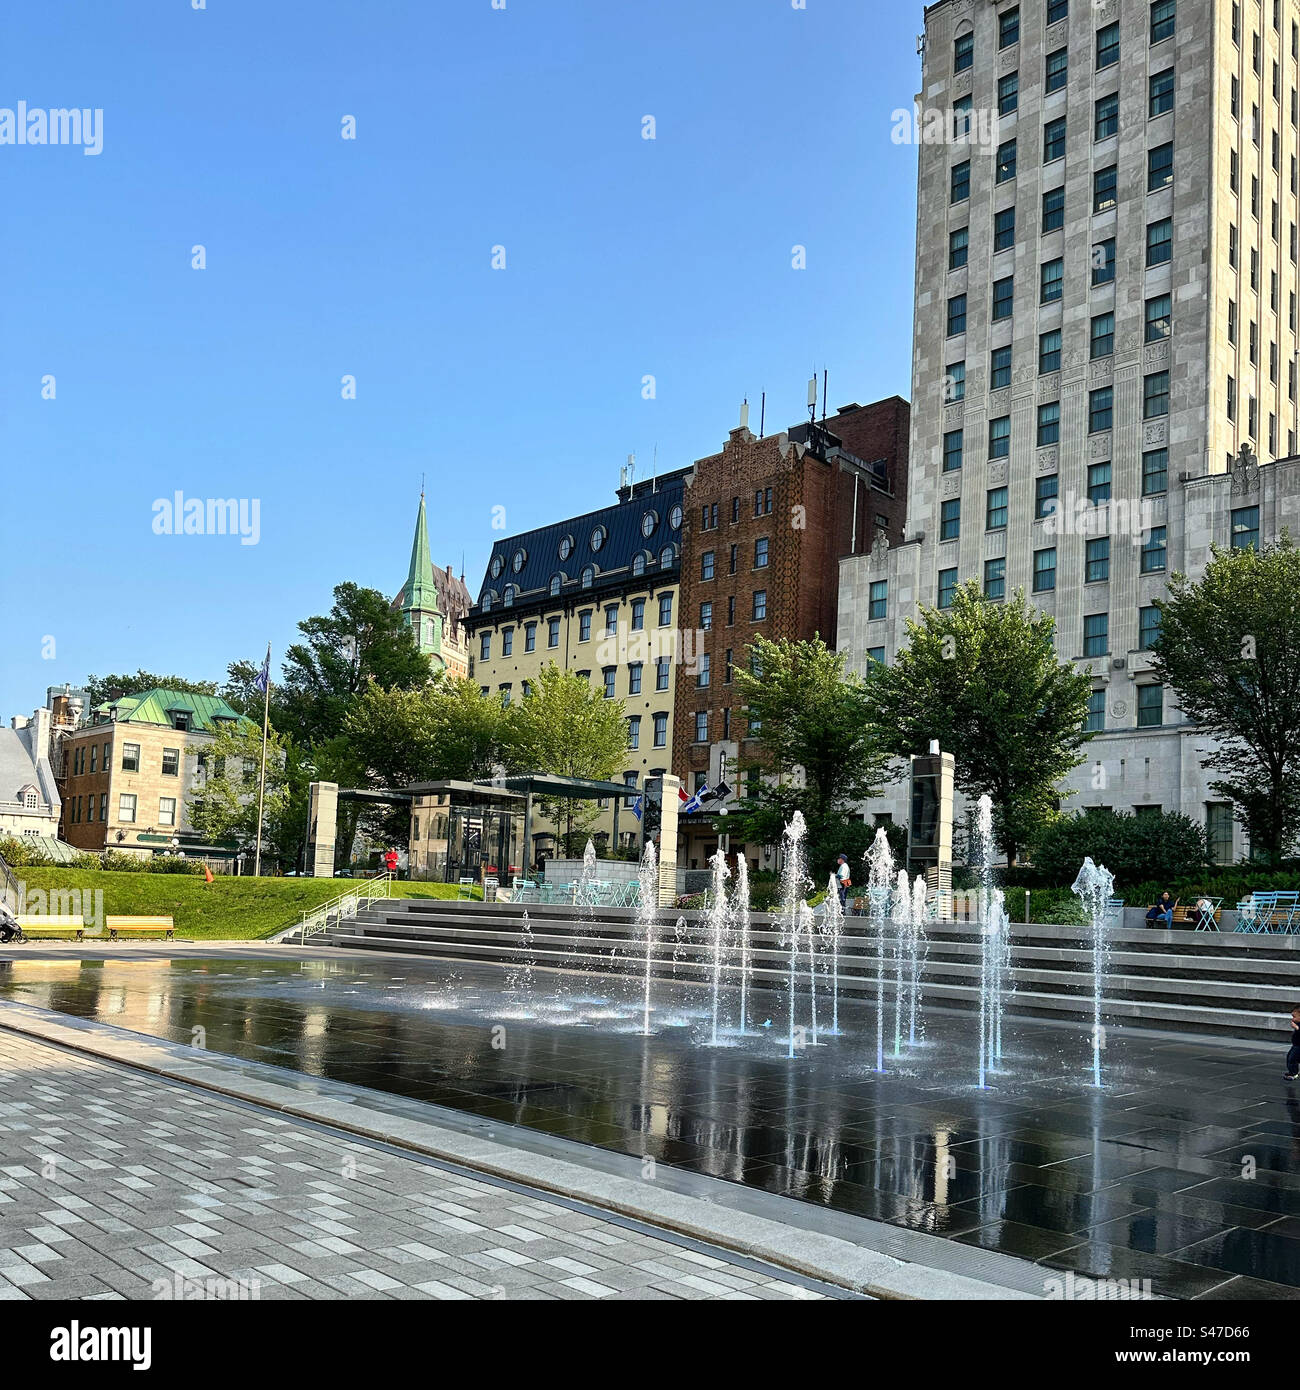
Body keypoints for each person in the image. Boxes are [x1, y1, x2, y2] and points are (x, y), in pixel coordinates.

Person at [1285, 1005, 1300, 1081]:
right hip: (1295, 1045)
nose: (1292, 1019)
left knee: (1293, 1059)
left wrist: (1297, 1028)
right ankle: (1291, 1072)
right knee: (1289, 1057)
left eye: (1294, 1016)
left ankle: (1294, 1073)